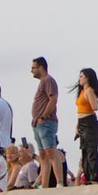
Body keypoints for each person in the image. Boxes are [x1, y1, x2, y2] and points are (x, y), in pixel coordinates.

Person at [29, 57, 62, 188]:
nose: (31, 71)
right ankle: (45, 184)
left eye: (33, 68)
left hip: (46, 122)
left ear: (41, 67)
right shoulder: (43, 82)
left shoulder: (48, 80)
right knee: (42, 154)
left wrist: (44, 116)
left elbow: (53, 99)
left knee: (50, 151)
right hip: (38, 123)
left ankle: (59, 182)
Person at [75, 68, 98, 184]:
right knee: (85, 150)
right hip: (82, 122)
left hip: (89, 122)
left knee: (91, 150)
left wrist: (96, 100)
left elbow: (94, 107)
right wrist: (77, 126)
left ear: (87, 78)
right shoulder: (82, 91)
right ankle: (87, 176)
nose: (79, 78)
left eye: (81, 76)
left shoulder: (89, 91)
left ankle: (93, 177)